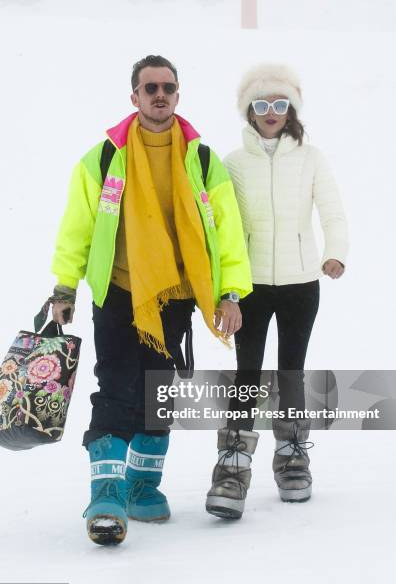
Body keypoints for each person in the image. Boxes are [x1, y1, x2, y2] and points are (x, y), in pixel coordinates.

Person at [50, 55, 252, 545]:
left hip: (179, 295)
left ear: (177, 95)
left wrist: (229, 292)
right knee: (117, 387)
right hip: (120, 292)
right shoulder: (104, 157)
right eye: (149, 88)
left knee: (158, 393)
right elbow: (77, 226)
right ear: (134, 97)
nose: (159, 95)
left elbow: (228, 236)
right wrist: (64, 286)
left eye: (167, 87)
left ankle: (143, 485)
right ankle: (107, 495)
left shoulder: (202, 160)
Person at [206, 63, 349, 519]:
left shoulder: (311, 157)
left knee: (291, 371)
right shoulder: (232, 162)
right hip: (249, 287)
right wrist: (223, 287)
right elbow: (222, 228)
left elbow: (332, 210)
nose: (271, 112)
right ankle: (232, 463)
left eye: (280, 104)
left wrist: (336, 252)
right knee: (247, 370)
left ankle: (292, 457)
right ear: (249, 109)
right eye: (262, 104)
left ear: (291, 110)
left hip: (301, 282)